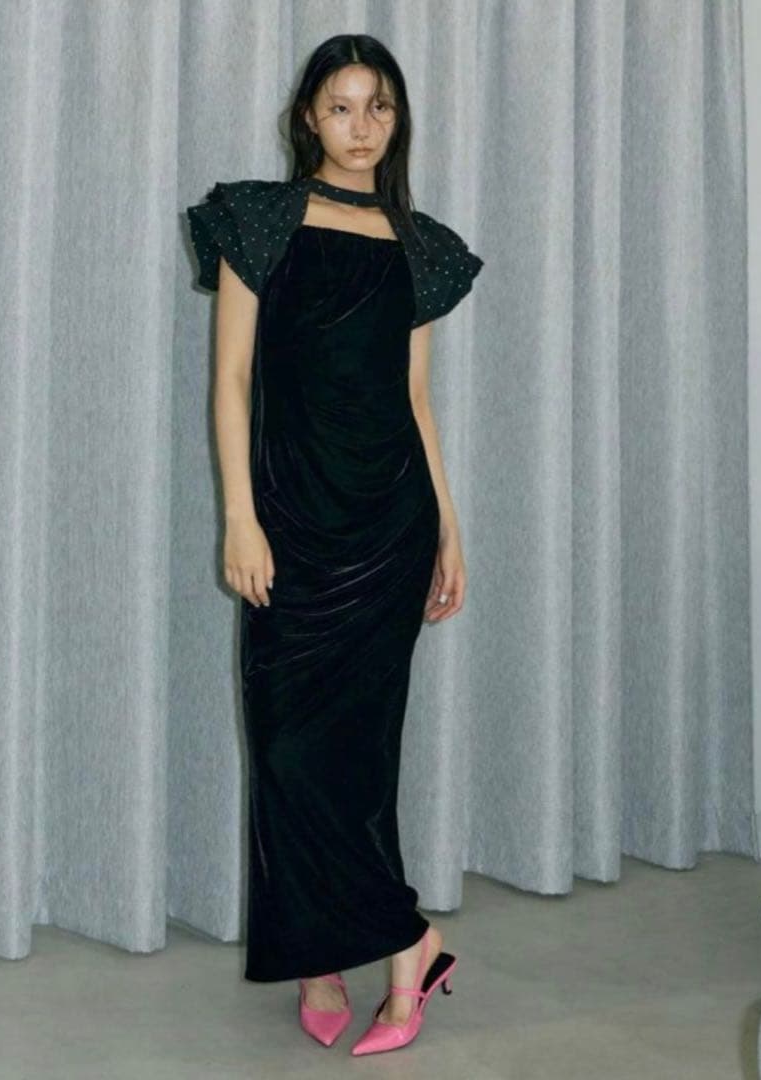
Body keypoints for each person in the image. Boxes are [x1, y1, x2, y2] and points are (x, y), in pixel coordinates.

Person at [184, 32, 482, 1056]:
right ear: (307, 116)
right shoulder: (257, 219)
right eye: (342, 106)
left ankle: (396, 958)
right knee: (285, 751)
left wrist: (448, 527)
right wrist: (239, 515)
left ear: (398, 120)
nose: (362, 127)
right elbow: (231, 380)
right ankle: (349, 950)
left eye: (379, 107)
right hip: (290, 521)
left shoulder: (423, 245)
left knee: (359, 756)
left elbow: (416, 399)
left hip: (389, 525)